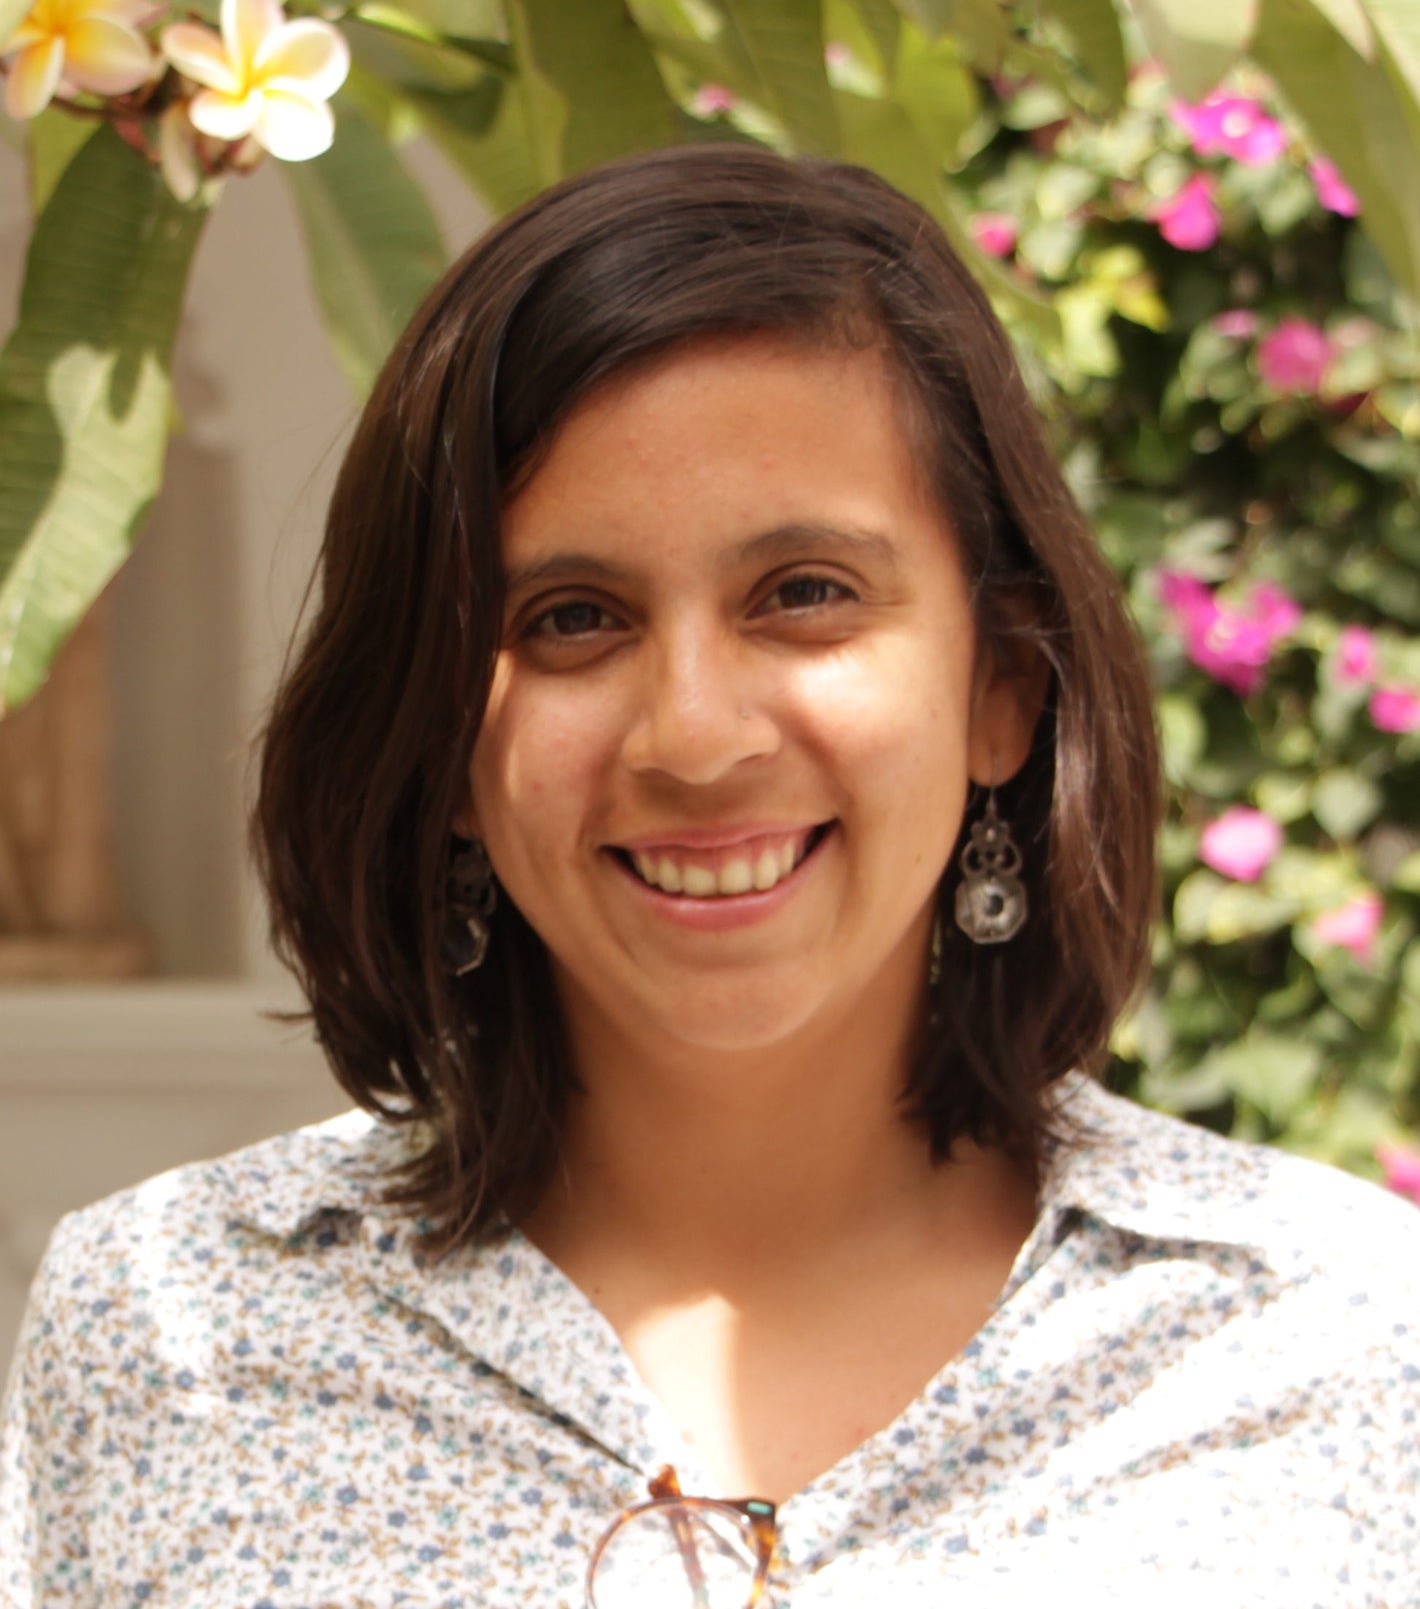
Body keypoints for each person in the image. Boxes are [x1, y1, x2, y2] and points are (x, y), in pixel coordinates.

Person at [2, 145, 1417, 1609]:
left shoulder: (1334, 1335)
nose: (693, 735)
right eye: (570, 618)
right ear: (442, 740)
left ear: (999, 684)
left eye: (804, 594)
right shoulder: (168, 1331)